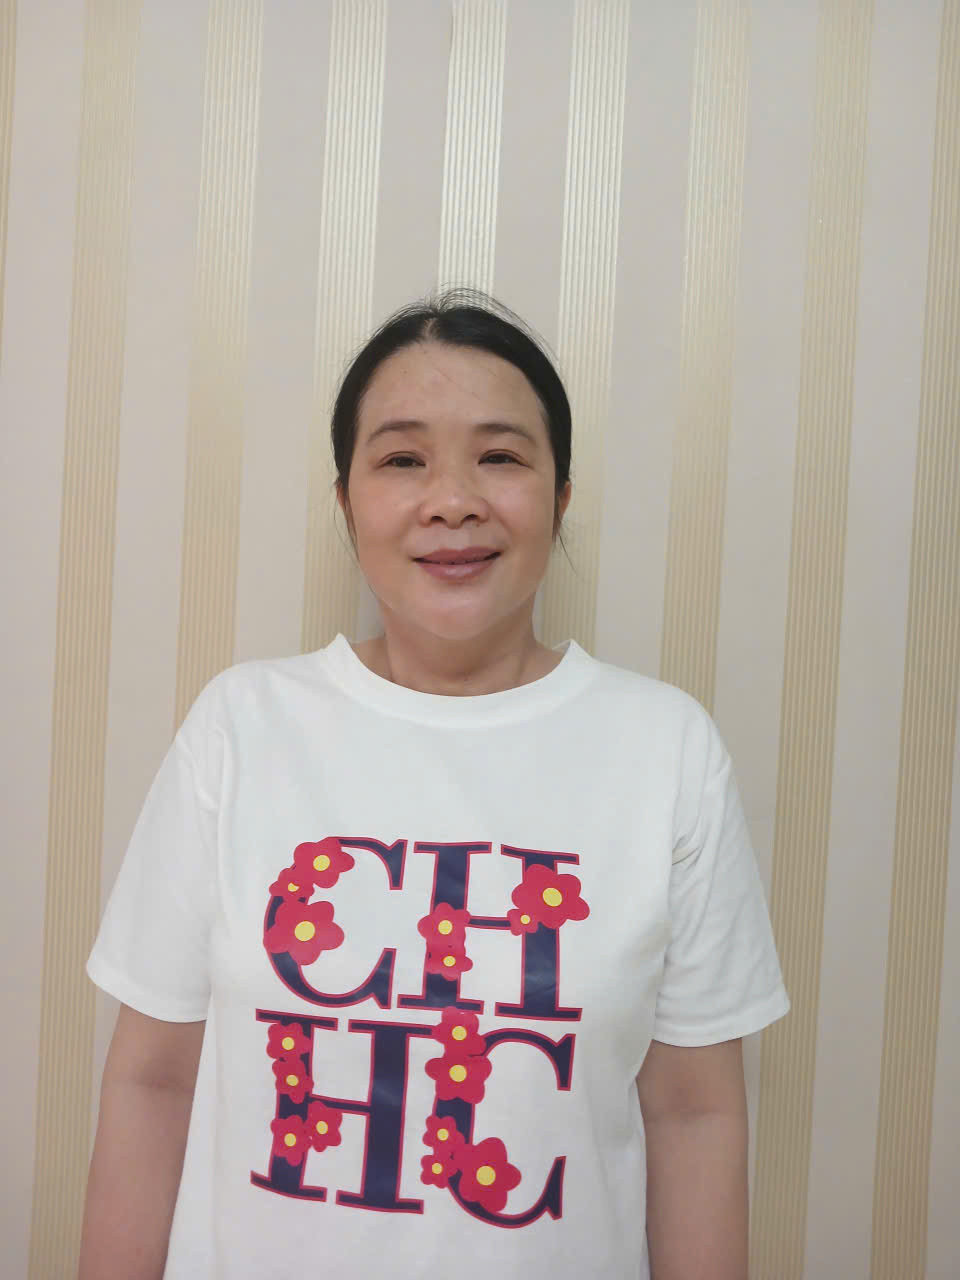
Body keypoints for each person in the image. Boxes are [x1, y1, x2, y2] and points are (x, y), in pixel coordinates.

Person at [79, 290, 789, 1279]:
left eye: (500, 455)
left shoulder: (665, 749)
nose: (453, 499)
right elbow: (152, 1084)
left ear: (561, 495)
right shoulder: (241, 726)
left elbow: (694, 1113)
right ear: (346, 502)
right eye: (403, 459)